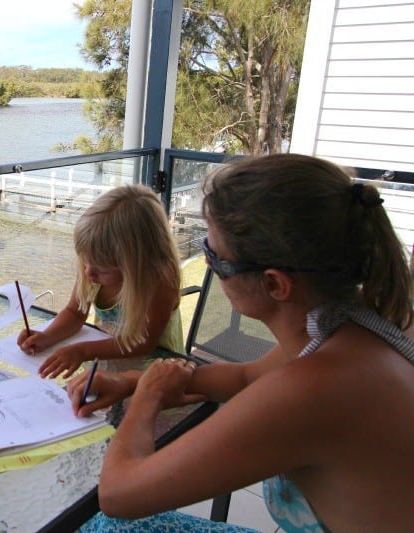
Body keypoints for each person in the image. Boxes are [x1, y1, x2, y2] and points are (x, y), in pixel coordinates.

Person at [68, 154, 414, 532]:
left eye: (214, 256)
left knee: (105, 526)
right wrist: (130, 382)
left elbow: (119, 495)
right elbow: (249, 377)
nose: (211, 266)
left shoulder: (318, 387)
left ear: (274, 284)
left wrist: (146, 398)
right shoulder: (349, 325)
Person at [17, 184, 185, 379]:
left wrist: (82, 351)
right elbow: (75, 312)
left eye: (101, 269)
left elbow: (142, 343)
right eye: (85, 262)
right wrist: (47, 337)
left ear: (135, 265)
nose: (88, 273)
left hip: (156, 374)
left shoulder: (160, 281)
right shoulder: (94, 266)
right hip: (110, 365)